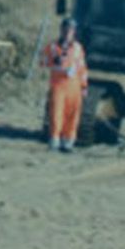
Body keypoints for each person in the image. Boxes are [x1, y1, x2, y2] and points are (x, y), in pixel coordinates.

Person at [39, 18, 86, 152]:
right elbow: (42, 61)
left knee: (72, 115)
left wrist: (84, 86)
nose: (67, 33)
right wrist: (53, 60)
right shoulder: (52, 47)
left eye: (70, 30)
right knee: (56, 113)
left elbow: (82, 68)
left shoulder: (78, 48)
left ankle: (68, 142)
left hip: (74, 86)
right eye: (65, 29)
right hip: (59, 85)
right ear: (61, 30)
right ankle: (55, 140)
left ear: (74, 32)